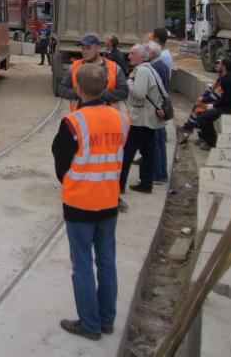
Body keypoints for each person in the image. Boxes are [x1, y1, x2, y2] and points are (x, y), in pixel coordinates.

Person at [52, 63, 129, 341]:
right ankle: (107, 320)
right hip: (109, 201)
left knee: (83, 264)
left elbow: (61, 162)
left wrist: (71, 180)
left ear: (79, 89)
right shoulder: (121, 119)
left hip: (80, 202)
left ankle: (90, 323)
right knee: (107, 261)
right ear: (105, 86)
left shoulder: (73, 122)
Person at [120, 43, 163, 195]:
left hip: (141, 119)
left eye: (132, 53)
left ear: (141, 56)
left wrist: (129, 81)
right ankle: (146, 183)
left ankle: (120, 185)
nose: (129, 56)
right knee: (147, 152)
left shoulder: (142, 71)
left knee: (127, 153)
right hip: (148, 118)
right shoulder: (150, 68)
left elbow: (139, 93)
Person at [57, 34, 127, 112]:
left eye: (88, 48)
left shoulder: (114, 67)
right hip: (81, 117)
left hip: (107, 117)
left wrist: (100, 94)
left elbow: (124, 91)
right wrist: (82, 93)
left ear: (98, 48)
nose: (85, 52)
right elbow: (62, 90)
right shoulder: (74, 67)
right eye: (83, 49)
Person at [182, 56, 231, 149]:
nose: (216, 65)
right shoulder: (221, 78)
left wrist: (212, 105)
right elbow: (211, 90)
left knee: (204, 117)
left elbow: (223, 98)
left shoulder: (228, 80)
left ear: (224, 67)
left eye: (218, 63)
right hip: (222, 104)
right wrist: (202, 99)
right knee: (198, 109)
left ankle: (211, 142)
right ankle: (202, 136)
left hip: (227, 107)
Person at [147, 32, 173, 185]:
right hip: (161, 105)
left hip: (156, 108)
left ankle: (157, 174)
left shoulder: (156, 66)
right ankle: (161, 173)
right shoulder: (162, 62)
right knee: (160, 140)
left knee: (156, 141)